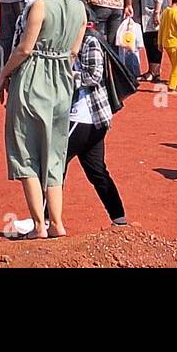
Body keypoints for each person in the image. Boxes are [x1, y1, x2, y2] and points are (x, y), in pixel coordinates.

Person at [0, 0, 87, 239]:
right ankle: (57, 223)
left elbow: (24, 48)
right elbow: (74, 51)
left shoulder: (39, 6)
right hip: (62, 80)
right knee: (54, 152)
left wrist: (3, 75)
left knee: (26, 150)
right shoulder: (79, 9)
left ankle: (39, 225)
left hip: (32, 77)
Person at [68, 24, 128, 226]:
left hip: (84, 115)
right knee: (97, 170)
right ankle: (119, 218)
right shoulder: (74, 38)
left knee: (52, 166)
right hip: (92, 120)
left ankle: (44, 220)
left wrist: (68, 75)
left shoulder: (89, 40)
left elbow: (94, 77)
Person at [137, 0, 170, 83]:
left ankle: (155, 72)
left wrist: (157, 11)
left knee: (155, 41)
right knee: (148, 40)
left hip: (155, 10)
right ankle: (151, 70)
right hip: (147, 10)